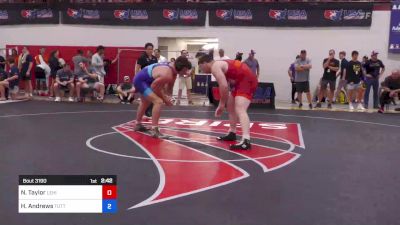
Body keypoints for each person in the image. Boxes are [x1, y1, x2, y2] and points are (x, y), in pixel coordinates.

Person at [198, 54, 258, 150]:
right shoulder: (221, 64)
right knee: (230, 105)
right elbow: (230, 81)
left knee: (240, 108)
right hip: (241, 80)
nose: (201, 70)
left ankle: (246, 140)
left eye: (200, 67)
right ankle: (232, 133)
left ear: (205, 63)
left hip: (246, 80)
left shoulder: (215, 67)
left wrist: (221, 104)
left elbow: (224, 86)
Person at [133, 56, 192, 138]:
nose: (186, 73)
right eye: (186, 70)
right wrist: (165, 99)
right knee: (158, 101)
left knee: (145, 102)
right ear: (181, 68)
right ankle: (155, 130)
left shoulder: (173, 70)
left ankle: (138, 124)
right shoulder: (167, 74)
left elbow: (169, 87)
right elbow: (154, 87)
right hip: (141, 81)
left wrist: (169, 97)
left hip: (145, 79)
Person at [136, 43, 158, 117]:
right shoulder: (142, 58)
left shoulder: (155, 58)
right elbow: (137, 68)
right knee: (145, 96)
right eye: (148, 49)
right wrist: (137, 78)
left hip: (152, 79)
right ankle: (144, 111)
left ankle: (150, 110)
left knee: (152, 95)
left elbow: (156, 68)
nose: (150, 50)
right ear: (145, 49)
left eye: (151, 49)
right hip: (144, 79)